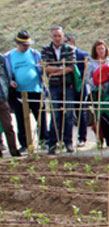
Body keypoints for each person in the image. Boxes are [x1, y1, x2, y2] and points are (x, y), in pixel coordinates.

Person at [6, 30, 46, 153]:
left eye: (28, 44)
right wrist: (10, 82)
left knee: (41, 117)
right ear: (18, 43)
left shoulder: (35, 54)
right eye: (24, 45)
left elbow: (42, 68)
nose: (26, 47)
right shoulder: (9, 56)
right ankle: (24, 143)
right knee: (21, 119)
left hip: (35, 90)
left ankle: (44, 140)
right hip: (19, 93)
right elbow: (6, 74)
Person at [41, 25, 76, 154]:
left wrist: (55, 71)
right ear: (51, 36)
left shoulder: (69, 49)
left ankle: (68, 142)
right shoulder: (46, 49)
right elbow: (45, 66)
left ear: (63, 37)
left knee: (68, 115)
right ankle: (53, 143)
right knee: (55, 114)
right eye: (55, 35)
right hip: (54, 86)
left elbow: (71, 66)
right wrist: (61, 69)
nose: (57, 38)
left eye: (59, 36)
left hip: (67, 85)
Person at [64, 33, 90, 148]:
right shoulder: (63, 55)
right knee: (68, 113)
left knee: (81, 113)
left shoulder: (82, 55)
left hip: (80, 87)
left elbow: (87, 70)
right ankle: (67, 140)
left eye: (66, 42)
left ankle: (82, 138)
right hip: (67, 87)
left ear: (71, 41)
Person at [0, 52, 20, 157]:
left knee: (8, 125)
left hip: (1, 97)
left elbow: (7, 76)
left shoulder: (2, 58)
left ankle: (14, 150)